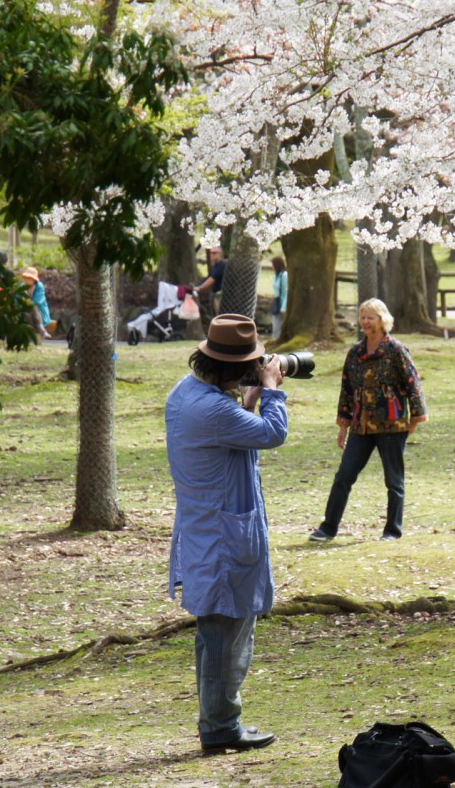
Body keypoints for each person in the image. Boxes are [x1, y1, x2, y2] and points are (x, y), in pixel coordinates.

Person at [165, 314, 287, 753]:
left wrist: (248, 401)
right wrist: (272, 389)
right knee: (224, 635)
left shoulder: (187, 392)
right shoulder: (215, 408)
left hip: (207, 529)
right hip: (222, 539)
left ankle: (220, 721)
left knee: (220, 632)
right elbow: (274, 434)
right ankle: (220, 727)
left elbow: (227, 434)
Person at [310, 298, 428, 542]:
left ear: (382, 320)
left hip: (392, 425)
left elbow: (413, 383)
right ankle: (328, 528)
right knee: (344, 476)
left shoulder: (396, 350)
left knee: (393, 480)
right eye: (362, 317)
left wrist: (415, 419)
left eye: (370, 317)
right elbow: (346, 389)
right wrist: (343, 425)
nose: (365, 322)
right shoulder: (355, 353)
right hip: (361, 426)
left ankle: (392, 531)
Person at [20, 266, 55, 340]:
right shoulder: (21, 286)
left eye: (29, 278)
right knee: (28, 313)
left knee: (33, 307)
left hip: (39, 312)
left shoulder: (39, 286)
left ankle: (39, 331)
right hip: (24, 310)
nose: (27, 279)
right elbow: (19, 299)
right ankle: (42, 331)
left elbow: (38, 301)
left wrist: (27, 303)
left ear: (34, 279)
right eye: (26, 277)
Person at [270, 256, 288, 339]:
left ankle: (277, 338)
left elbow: (285, 291)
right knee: (275, 323)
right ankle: (274, 338)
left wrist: (283, 306)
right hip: (276, 302)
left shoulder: (284, 275)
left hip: (282, 302)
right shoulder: (277, 275)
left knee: (280, 324)